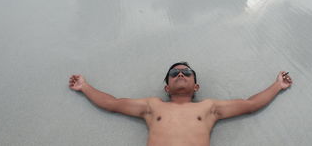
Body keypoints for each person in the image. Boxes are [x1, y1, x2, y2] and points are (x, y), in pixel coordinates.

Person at [69, 62, 293, 146]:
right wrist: (85, 87)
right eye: (174, 73)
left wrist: (277, 86)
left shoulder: (209, 108)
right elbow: (113, 103)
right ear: (167, 87)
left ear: (196, 86)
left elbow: (250, 104)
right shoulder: (152, 106)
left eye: (186, 72)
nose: (180, 74)